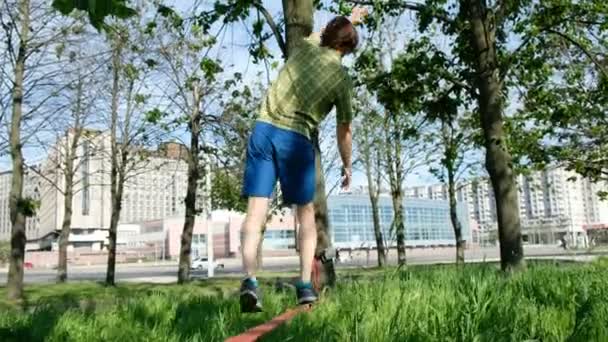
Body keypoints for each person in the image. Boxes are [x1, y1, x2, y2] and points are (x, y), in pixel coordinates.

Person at [238, 8, 368, 312]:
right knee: (305, 215)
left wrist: (349, 18)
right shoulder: (341, 79)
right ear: (346, 49)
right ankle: (305, 285)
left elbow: (325, 30)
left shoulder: (307, 46)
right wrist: (347, 165)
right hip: (294, 140)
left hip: (262, 130)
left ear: (328, 37)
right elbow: (344, 130)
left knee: (255, 211)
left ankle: (249, 281)